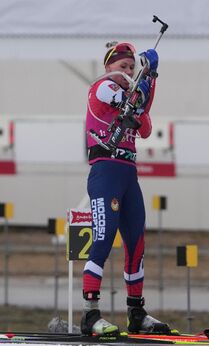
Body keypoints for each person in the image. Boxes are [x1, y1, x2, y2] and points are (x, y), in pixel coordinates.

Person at [81, 41, 170, 336]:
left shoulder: (131, 93)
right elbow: (128, 103)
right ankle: (90, 314)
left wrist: (151, 76)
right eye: (123, 66)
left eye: (132, 67)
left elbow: (144, 127)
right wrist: (145, 82)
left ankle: (136, 312)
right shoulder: (102, 88)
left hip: (129, 174)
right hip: (106, 171)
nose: (129, 72)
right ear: (108, 67)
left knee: (136, 243)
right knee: (103, 239)